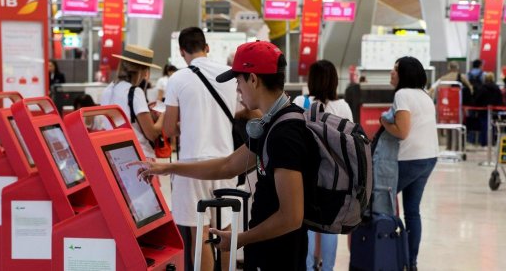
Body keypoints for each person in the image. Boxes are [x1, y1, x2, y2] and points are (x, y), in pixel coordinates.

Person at [137, 40, 318, 270]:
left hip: (279, 257)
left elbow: (291, 216)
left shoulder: (285, 133)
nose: (237, 89)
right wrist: (167, 168)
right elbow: (228, 166)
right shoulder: (271, 124)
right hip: (266, 252)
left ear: (253, 79)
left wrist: (241, 239)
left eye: (238, 80)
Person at [159, 27, 238, 270]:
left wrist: (188, 124)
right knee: (225, 230)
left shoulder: (178, 78)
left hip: (191, 167)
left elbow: (169, 128)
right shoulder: (228, 74)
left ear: (182, 52)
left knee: (200, 233)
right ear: (207, 47)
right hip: (226, 161)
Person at [380, 56, 439, 271]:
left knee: (380, 202)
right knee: (412, 211)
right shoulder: (424, 95)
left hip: (409, 159)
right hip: (429, 157)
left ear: (404, 74)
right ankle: (410, 262)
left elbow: (402, 132)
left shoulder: (402, 94)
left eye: (395, 69)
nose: (391, 73)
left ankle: (386, 255)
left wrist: (384, 122)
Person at [293, 60, 351, 271]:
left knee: (307, 222)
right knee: (330, 225)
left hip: (308, 171)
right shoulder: (342, 106)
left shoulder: (302, 102)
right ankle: (328, 268)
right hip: (337, 174)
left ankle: (308, 266)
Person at [99, 45, 164, 160]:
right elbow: (152, 134)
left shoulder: (107, 90)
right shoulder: (135, 92)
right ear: (143, 71)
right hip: (138, 155)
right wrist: (164, 114)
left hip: (113, 155)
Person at [474, 72, 503, 146]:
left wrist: (476, 109)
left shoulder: (482, 88)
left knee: (484, 127)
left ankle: (484, 142)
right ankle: (492, 142)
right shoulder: (497, 88)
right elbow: (500, 100)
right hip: (494, 111)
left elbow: (477, 99)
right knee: (492, 126)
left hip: (483, 111)